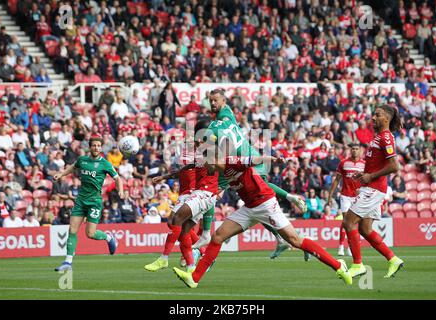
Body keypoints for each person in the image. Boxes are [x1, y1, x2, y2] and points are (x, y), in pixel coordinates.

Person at [173, 154, 352, 288]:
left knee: (294, 240)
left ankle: (338, 266)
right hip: (249, 208)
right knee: (218, 236)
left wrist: (273, 159)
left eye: (208, 165)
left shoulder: (232, 161)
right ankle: (194, 278)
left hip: (266, 203)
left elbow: (256, 159)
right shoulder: (219, 174)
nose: (207, 169)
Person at [205, 89, 307, 259]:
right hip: (234, 161)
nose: (213, 103)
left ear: (223, 101)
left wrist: (206, 136)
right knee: (256, 201)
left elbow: (216, 130)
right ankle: (281, 235)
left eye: (215, 100)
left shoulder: (222, 116)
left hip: (242, 158)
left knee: (255, 191)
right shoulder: (225, 113)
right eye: (210, 100)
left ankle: (205, 238)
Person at [343, 105, 404, 279]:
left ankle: (357, 265)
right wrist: (364, 174)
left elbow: (394, 166)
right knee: (365, 229)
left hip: (373, 188)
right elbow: (378, 164)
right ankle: (393, 259)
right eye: (373, 115)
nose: (373, 118)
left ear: (387, 119)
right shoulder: (379, 137)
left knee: (348, 223)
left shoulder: (386, 137)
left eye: (377, 115)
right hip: (372, 186)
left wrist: (371, 177)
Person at [144, 133, 218, 273]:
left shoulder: (210, 154)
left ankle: (164, 259)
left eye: (195, 142)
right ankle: (192, 265)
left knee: (175, 220)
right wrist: (164, 177)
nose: (192, 144)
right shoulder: (193, 156)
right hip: (191, 193)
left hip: (198, 193)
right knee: (183, 229)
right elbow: (185, 169)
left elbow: (214, 169)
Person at [53, 135, 124, 271]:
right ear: (90, 147)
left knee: (90, 234)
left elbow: (117, 178)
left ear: (101, 147)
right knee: (72, 230)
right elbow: (73, 168)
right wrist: (61, 174)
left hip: (94, 202)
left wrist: (120, 190)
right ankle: (68, 262)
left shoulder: (105, 164)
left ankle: (108, 237)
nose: (96, 148)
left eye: (98, 145)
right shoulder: (82, 160)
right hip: (80, 200)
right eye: (94, 145)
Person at [328, 143, 365, 256]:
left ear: (360, 151)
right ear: (350, 150)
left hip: (357, 197)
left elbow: (368, 180)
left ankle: (349, 246)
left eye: (356, 149)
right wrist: (330, 195)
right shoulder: (343, 163)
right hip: (345, 195)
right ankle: (341, 246)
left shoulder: (364, 164)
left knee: (353, 223)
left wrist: (363, 190)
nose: (354, 151)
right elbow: (337, 179)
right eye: (353, 149)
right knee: (346, 221)